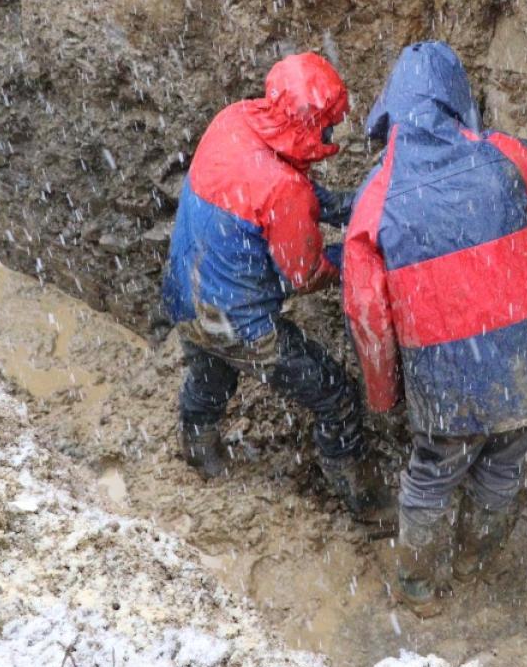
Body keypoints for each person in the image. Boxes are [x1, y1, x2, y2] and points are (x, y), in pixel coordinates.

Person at [340, 42, 527, 607]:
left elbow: (367, 313)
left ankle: (418, 585)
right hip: (526, 359)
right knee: (506, 460)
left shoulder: (375, 200)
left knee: (431, 477)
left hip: (447, 376)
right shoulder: (506, 156)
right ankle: (476, 557)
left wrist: (383, 392)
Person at [156, 52, 391, 523]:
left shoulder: (234, 122)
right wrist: (353, 259)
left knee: (211, 373)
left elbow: (272, 185)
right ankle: (362, 496)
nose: (332, 136)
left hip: (184, 293)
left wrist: (340, 207)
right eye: (328, 127)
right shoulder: (287, 191)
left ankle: (198, 444)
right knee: (336, 395)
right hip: (240, 324)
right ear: (311, 127)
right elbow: (305, 275)